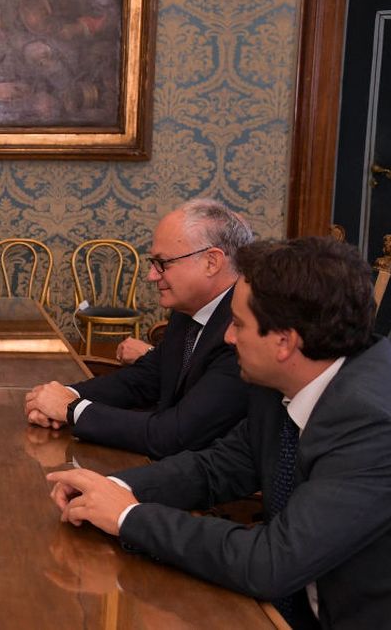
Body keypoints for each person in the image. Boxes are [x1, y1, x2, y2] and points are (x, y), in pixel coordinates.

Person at [47, 237, 391, 629]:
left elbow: (271, 563)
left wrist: (129, 516)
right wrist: (110, 487)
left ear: (284, 342)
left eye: (239, 324)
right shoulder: (284, 377)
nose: (227, 337)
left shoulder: (374, 423)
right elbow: (216, 468)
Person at [24, 199, 254, 458]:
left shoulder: (244, 332)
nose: (151, 275)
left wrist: (72, 409)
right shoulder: (187, 310)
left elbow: (175, 435)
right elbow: (144, 379)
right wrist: (67, 395)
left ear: (212, 262)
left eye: (163, 263)